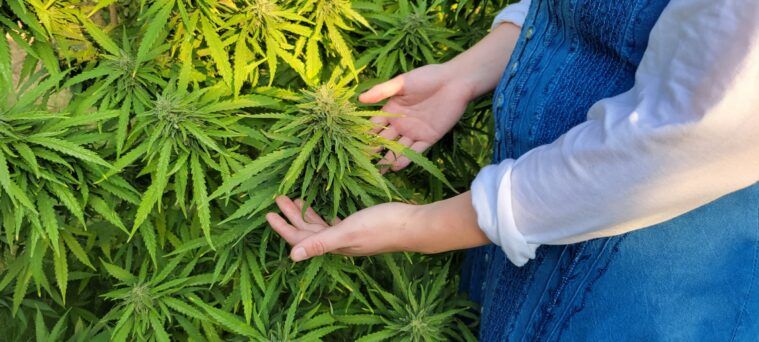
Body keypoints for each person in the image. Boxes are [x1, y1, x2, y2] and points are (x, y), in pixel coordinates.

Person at [266, 0, 759, 339]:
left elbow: (699, 131)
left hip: (651, 272)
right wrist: (466, 73)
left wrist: (422, 226)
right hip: (533, 217)